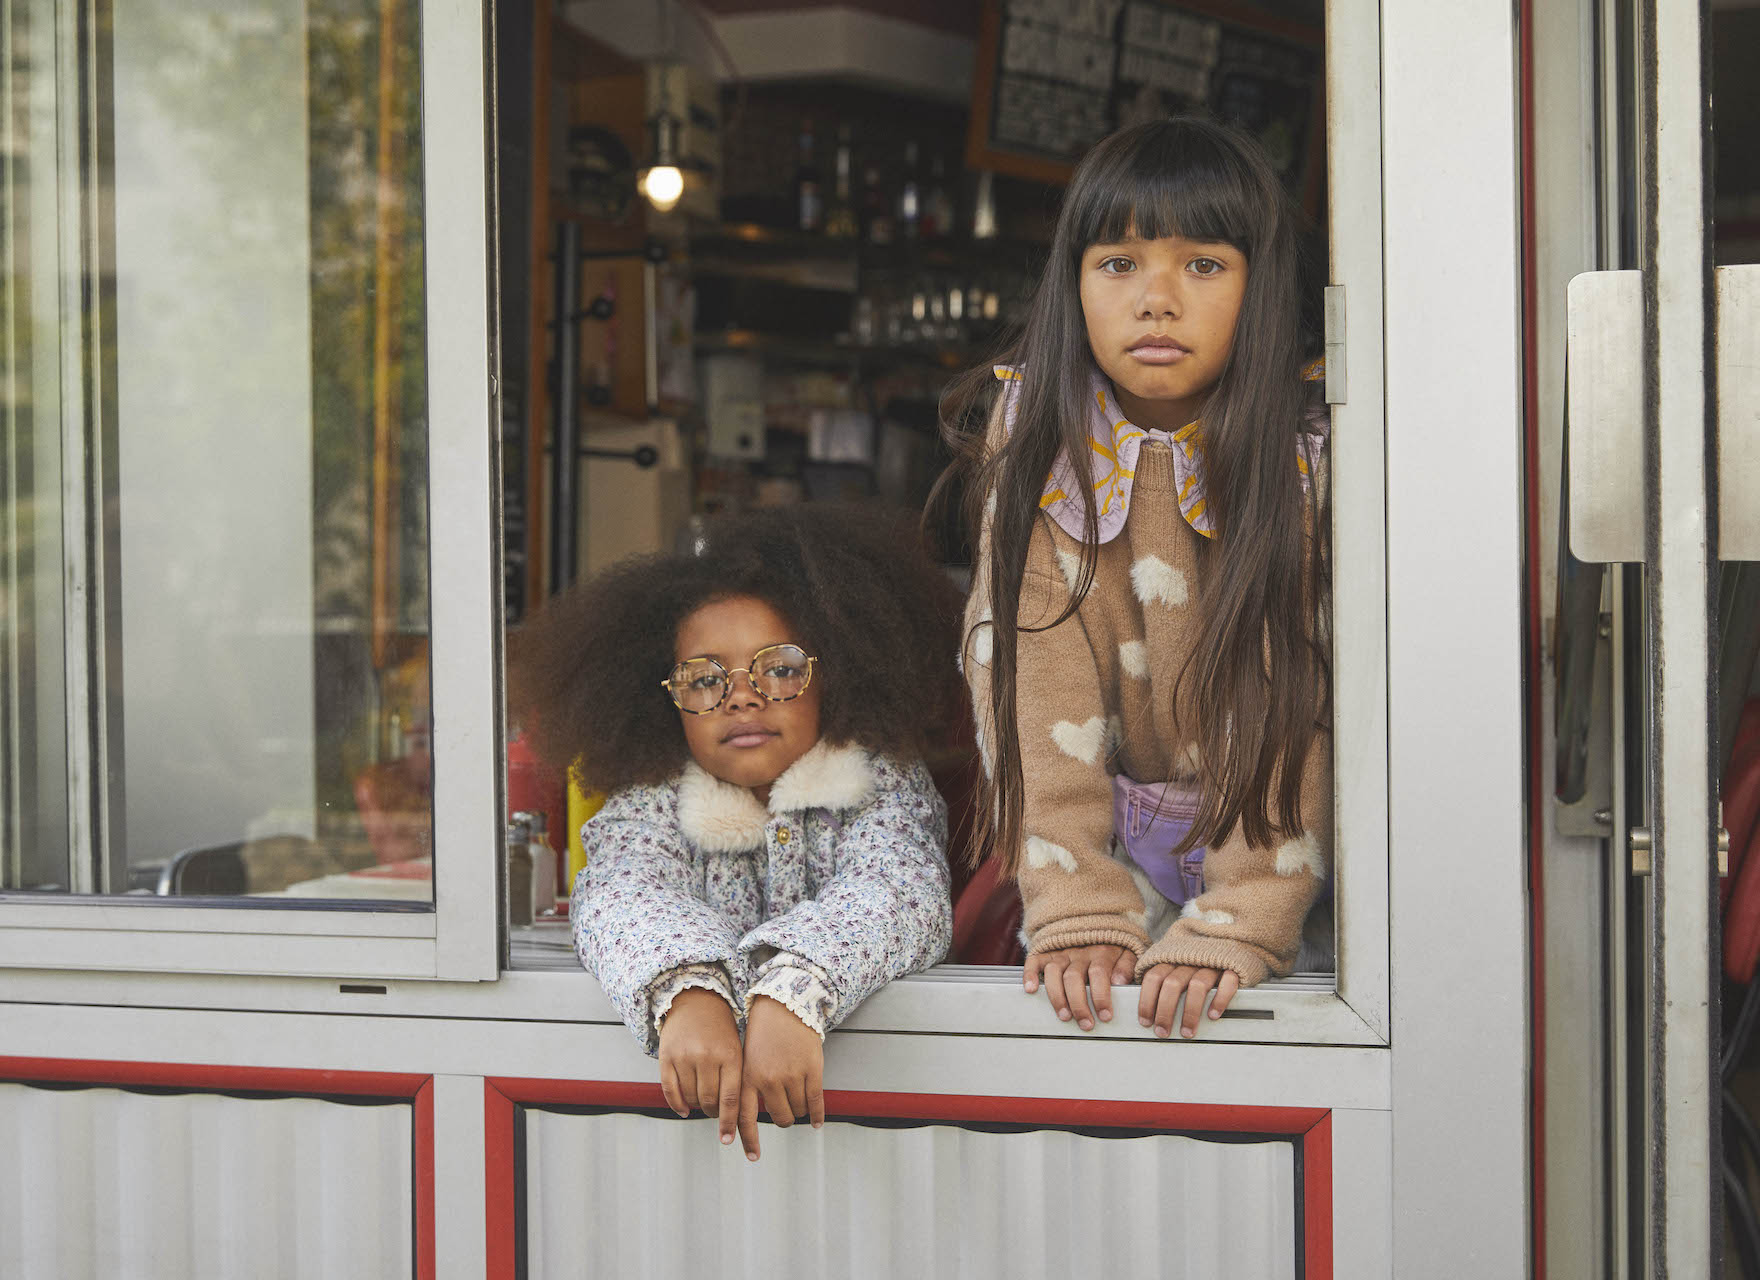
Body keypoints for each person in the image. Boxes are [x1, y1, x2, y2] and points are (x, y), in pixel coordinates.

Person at [942, 117, 1333, 1043]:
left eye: (1204, 265)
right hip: (1109, 864)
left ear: (1263, 287)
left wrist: (1243, 914)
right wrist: (1079, 903)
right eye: (1118, 264)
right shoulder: (1038, 449)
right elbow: (1031, 691)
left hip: (1299, 871)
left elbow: (1300, 699)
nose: (1157, 301)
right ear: (1072, 285)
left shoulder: (1311, 457)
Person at [509, 505, 961, 1160]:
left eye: (779, 668)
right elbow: (618, 892)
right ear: (666, 701)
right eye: (704, 679)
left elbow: (902, 893)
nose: (742, 697)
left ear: (834, 674)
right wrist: (689, 987)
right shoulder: (654, 799)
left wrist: (795, 988)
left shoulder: (879, 780)